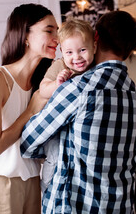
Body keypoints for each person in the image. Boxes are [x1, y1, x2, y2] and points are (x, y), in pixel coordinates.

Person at [20, 10, 136, 213]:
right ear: (130, 51)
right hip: (121, 205)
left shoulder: (79, 87)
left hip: (76, 206)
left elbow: (28, 140)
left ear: (95, 38)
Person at [0, 3, 58, 214]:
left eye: (58, 31)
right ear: (25, 35)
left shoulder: (43, 85)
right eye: (49, 30)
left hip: (33, 185)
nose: (58, 38)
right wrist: (30, 111)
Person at [38, 18, 96, 192]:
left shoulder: (96, 68)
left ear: (94, 47)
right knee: (55, 156)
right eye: (69, 52)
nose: (76, 57)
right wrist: (57, 83)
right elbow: (42, 89)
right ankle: (47, 189)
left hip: (79, 127)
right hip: (57, 127)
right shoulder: (60, 65)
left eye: (82, 50)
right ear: (61, 51)